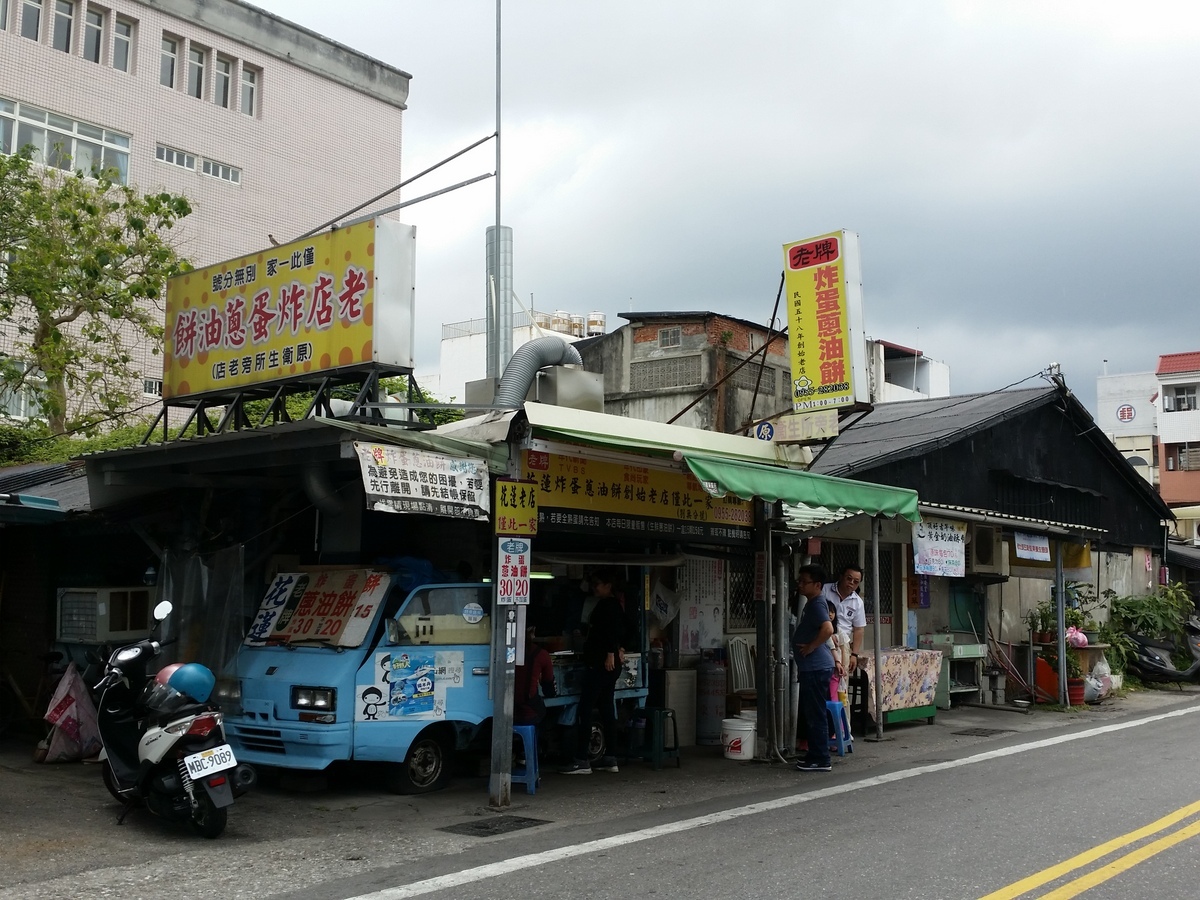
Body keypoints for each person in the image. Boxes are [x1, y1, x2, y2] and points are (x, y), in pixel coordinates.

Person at [563, 568, 625, 775]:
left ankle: (581, 759)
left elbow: (610, 630)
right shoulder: (614, 605)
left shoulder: (608, 605)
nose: (594, 587)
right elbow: (621, 630)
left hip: (601, 664)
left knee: (585, 708)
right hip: (609, 663)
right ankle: (611, 758)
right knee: (607, 708)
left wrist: (610, 652)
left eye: (598, 584)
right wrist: (618, 649)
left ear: (608, 586)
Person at [792, 563, 834, 773]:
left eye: (804, 582)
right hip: (815, 668)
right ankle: (816, 754)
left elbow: (828, 628)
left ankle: (820, 757)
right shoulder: (815, 602)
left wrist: (811, 647)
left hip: (816, 667)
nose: (800, 585)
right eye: (799, 581)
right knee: (813, 712)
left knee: (815, 713)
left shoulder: (817, 603)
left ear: (817, 585)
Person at [821, 564, 865, 673]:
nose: (851, 583)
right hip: (822, 639)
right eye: (849, 578)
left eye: (856, 581)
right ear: (841, 577)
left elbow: (859, 629)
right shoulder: (825, 590)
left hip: (842, 644)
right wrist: (828, 633)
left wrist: (854, 654)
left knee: (840, 678)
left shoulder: (858, 602)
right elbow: (816, 615)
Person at [514, 626, 556, 726]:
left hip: (506, 709)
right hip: (529, 711)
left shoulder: (506, 650)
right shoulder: (542, 654)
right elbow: (549, 690)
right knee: (553, 713)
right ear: (531, 632)